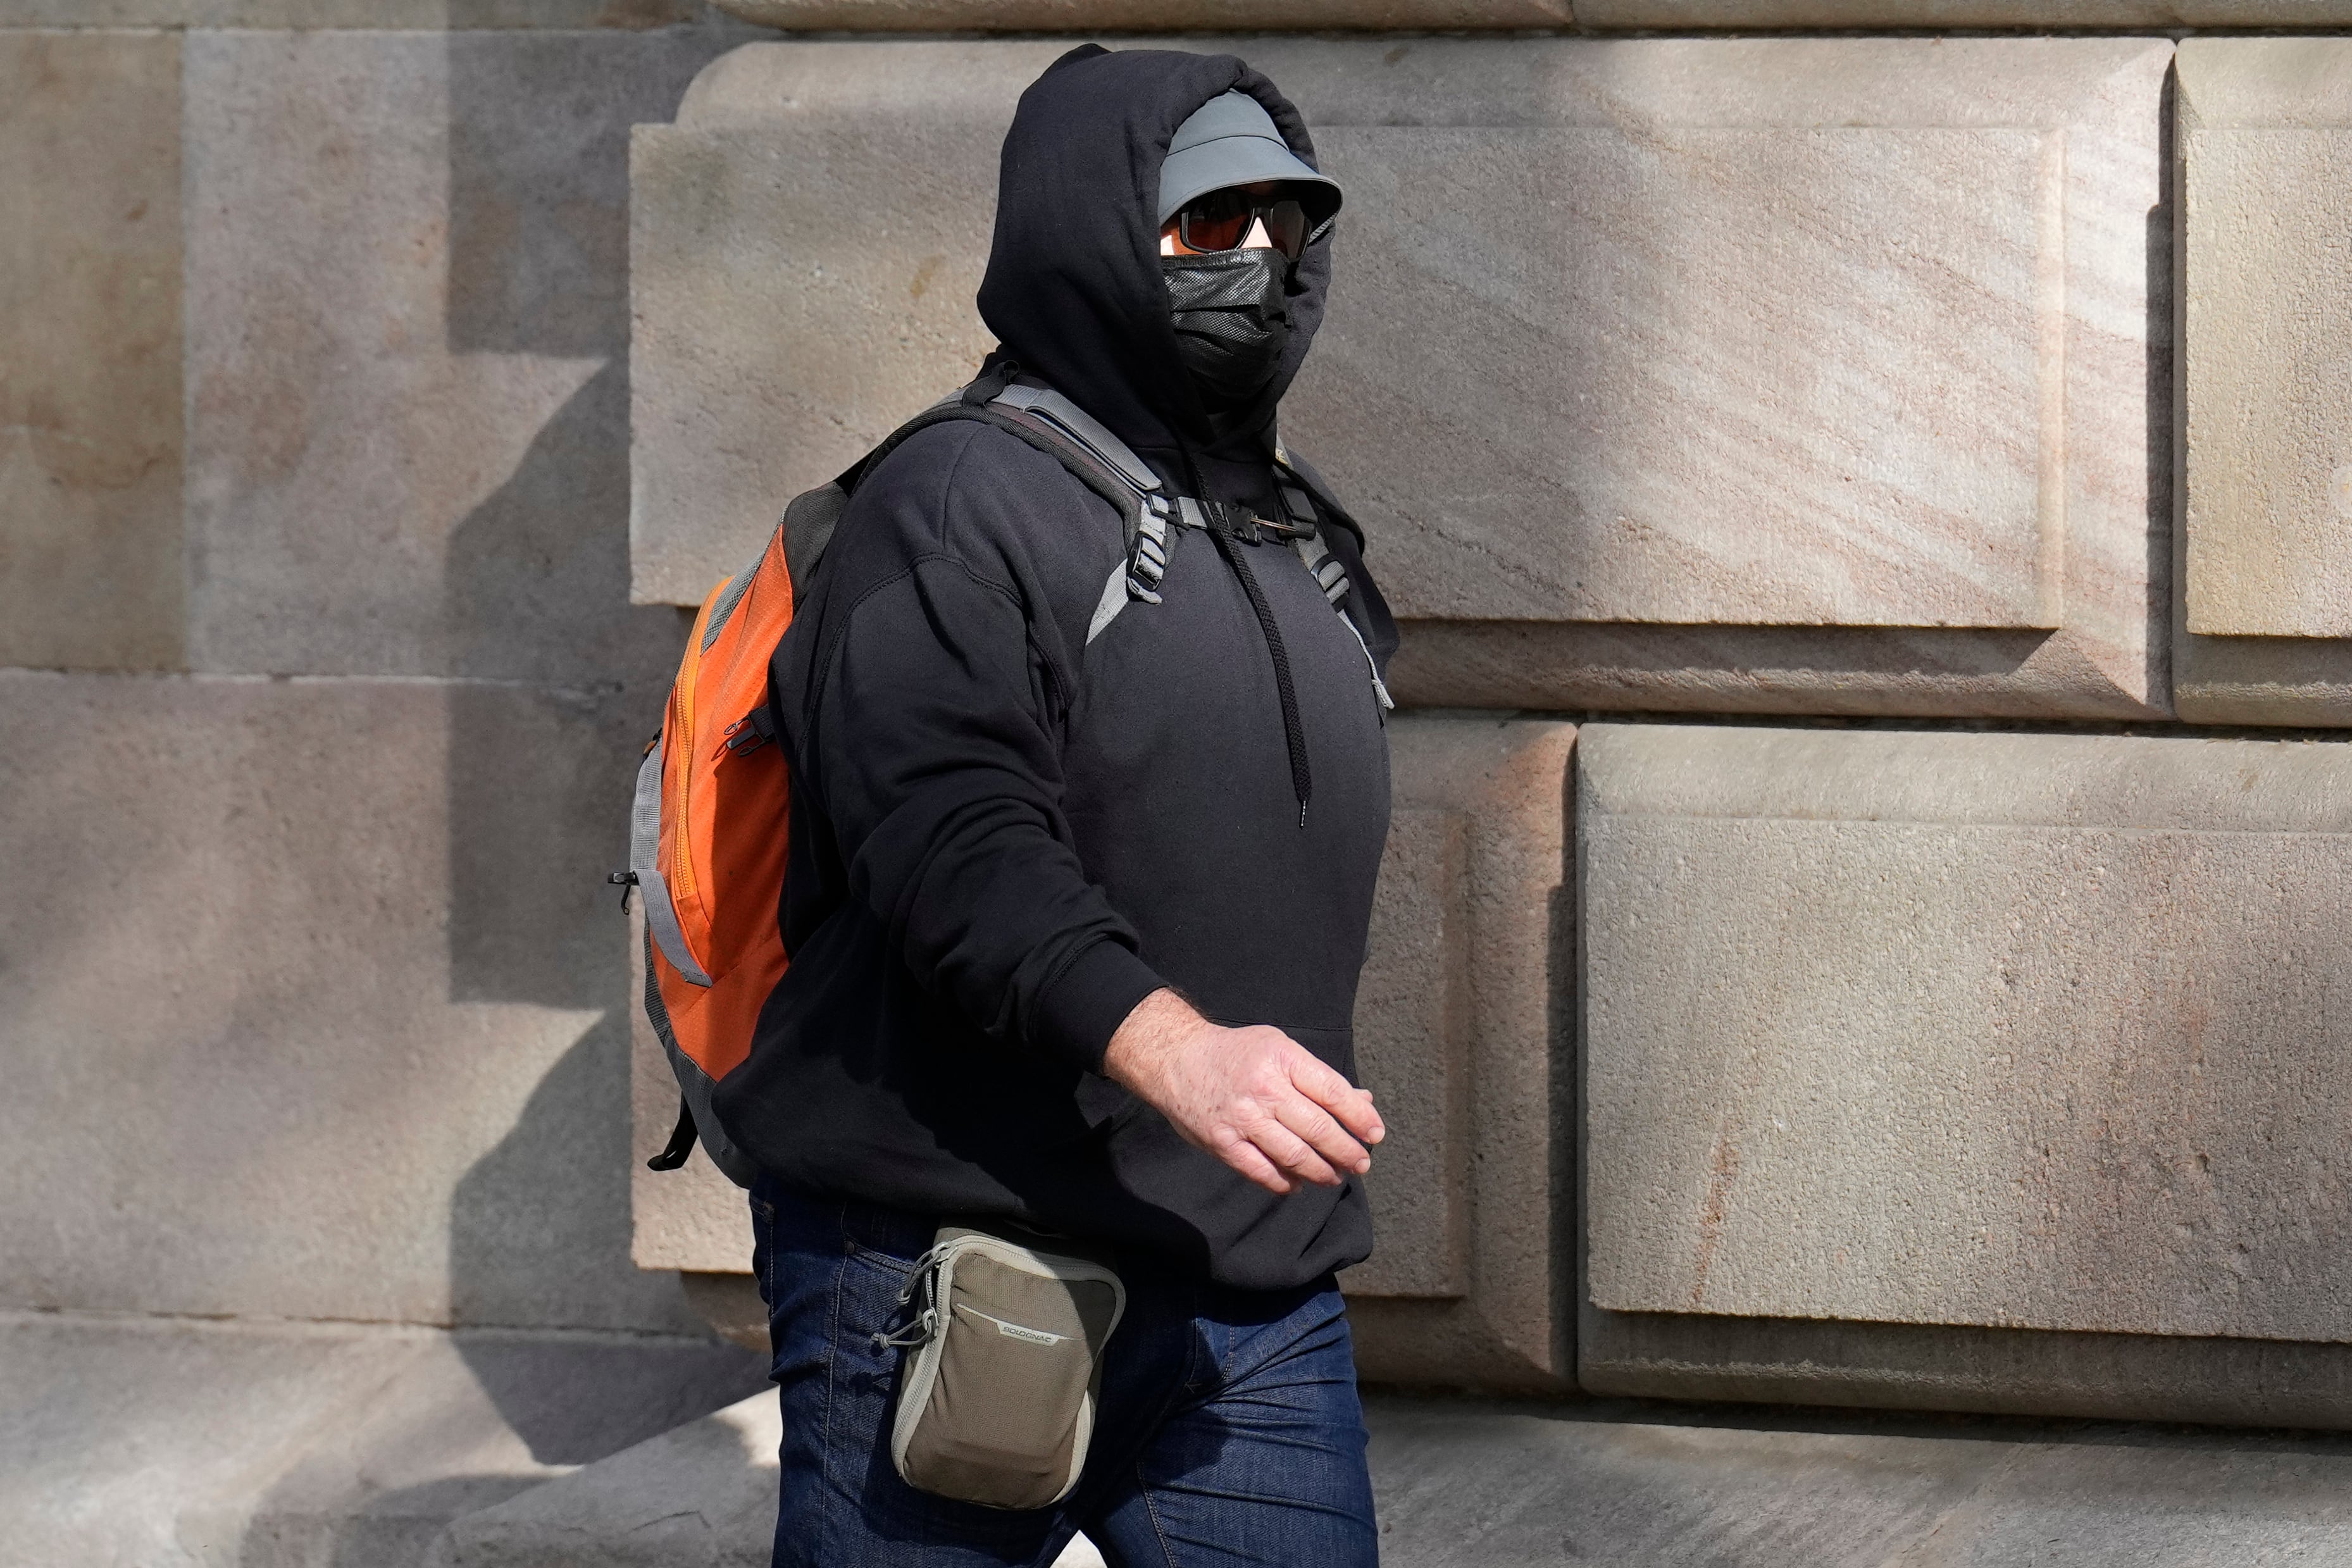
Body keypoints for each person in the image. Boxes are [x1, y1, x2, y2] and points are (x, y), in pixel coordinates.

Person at [716, 43, 1398, 1568]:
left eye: (1284, 228)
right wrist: (1174, 1050)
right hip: (956, 1266)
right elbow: (946, 839)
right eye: (1206, 227)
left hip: (1251, 1297)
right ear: (1092, 230)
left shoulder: (1291, 524)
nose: (1258, 264)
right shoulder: (957, 500)